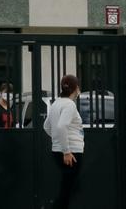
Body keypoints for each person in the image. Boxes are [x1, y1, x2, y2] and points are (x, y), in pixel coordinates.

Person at [44, 75, 84, 209]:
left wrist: (58, 141)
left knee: (67, 188)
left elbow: (47, 126)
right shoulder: (69, 105)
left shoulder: (56, 103)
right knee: (67, 190)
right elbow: (61, 126)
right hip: (72, 152)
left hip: (59, 150)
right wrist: (66, 150)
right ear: (76, 88)